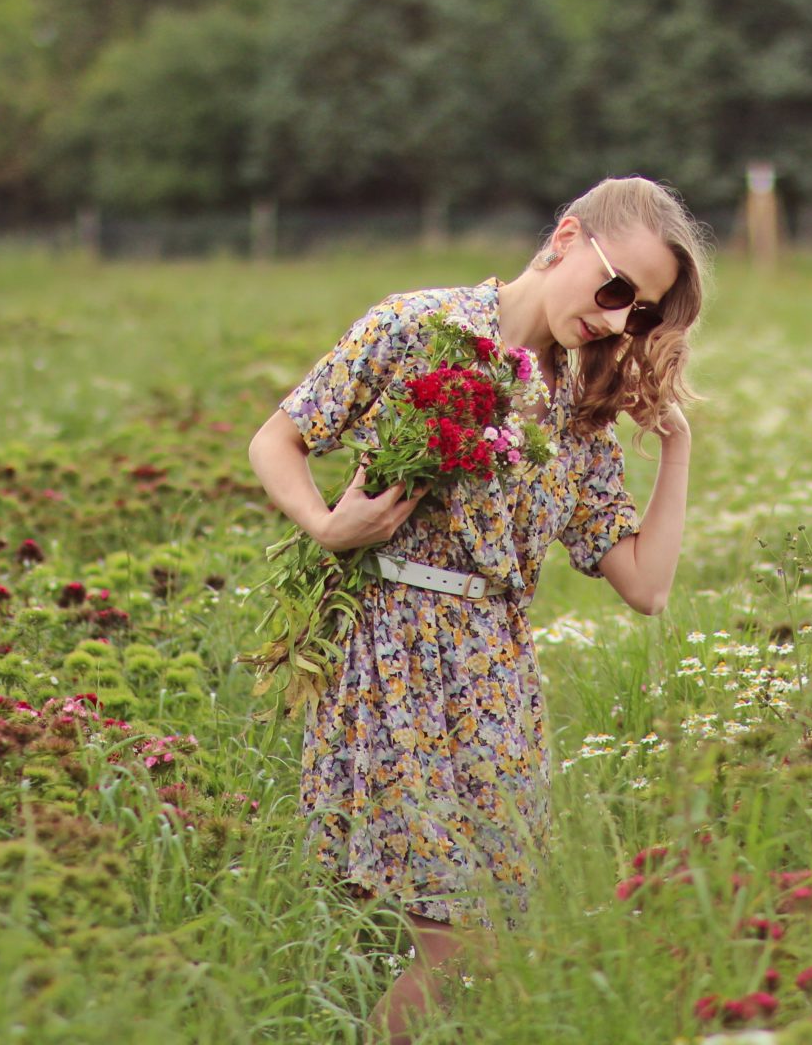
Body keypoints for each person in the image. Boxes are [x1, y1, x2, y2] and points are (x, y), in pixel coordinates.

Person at [247, 175, 712, 1044]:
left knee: (493, 937)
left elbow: (646, 586)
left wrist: (676, 443)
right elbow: (278, 437)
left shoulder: (580, 410)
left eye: (641, 314)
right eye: (616, 290)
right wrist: (325, 523)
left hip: (496, 683)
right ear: (566, 238)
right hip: (391, 655)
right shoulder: (417, 327)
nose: (618, 322)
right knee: (461, 945)